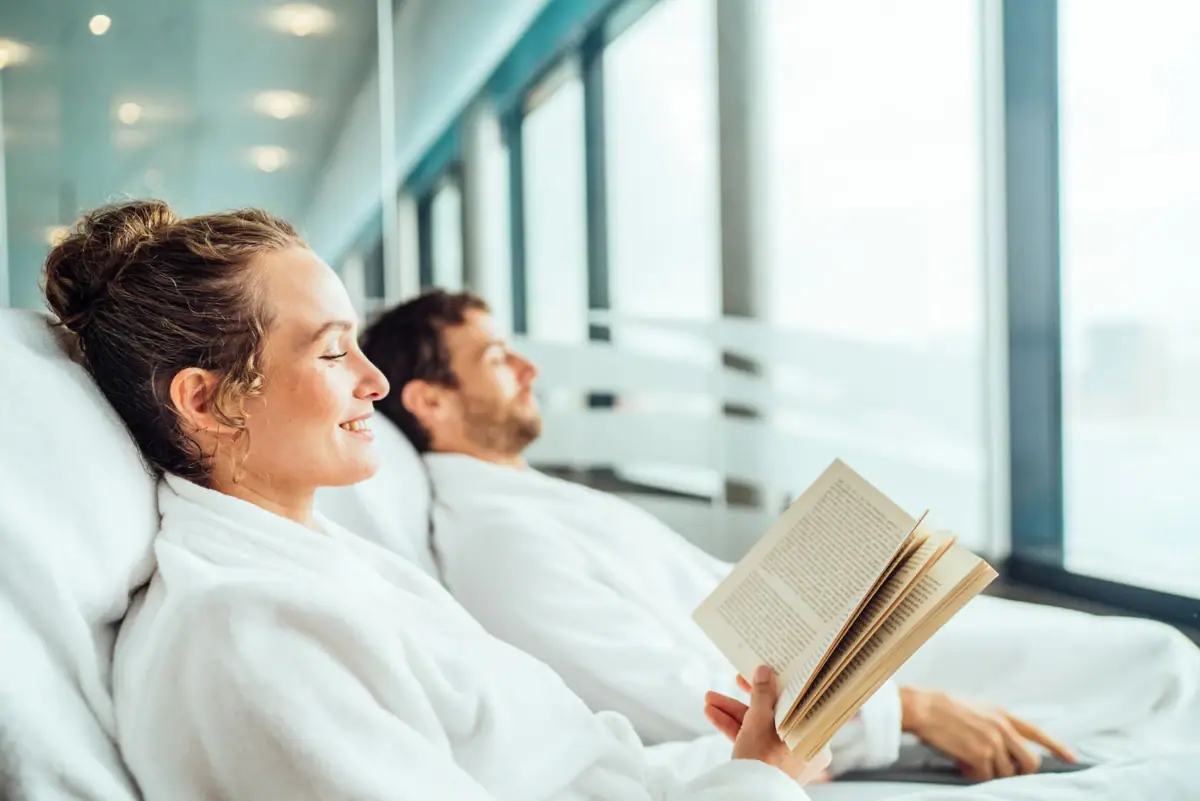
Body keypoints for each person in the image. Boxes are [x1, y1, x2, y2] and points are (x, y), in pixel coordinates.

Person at [44, 200, 831, 801]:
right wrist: (762, 784)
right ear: (209, 402)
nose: (375, 383)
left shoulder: (325, 565)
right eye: (330, 350)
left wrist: (740, 763)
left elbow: (567, 769)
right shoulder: (245, 639)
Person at [360, 289, 1200, 783]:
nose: (531, 368)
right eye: (499, 357)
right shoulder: (496, 540)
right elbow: (662, 691)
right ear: (430, 400)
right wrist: (909, 707)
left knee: (1137, 653)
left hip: (814, 654)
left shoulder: (527, 495)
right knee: (1149, 664)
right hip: (818, 688)